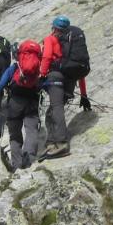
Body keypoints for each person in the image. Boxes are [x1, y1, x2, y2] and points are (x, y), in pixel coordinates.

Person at [40, 16, 91, 158]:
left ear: (54, 28)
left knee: (56, 108)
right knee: (51, 112)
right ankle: (51, 143)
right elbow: (77, 71)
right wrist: (84, 94)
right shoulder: (69, 46)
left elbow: (47, 57)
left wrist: (42, 74)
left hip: (55, 77)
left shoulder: (50, 39)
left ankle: (61, 144)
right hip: (69, 80)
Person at [0, 39, 43, 170]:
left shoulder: (14, 68)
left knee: (15, 134)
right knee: (31, 130)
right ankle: (29, 159)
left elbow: (0, 86)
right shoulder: (37, 69)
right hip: (32, 102)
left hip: (15, 103)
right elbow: (42, 84)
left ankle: (17, 165)